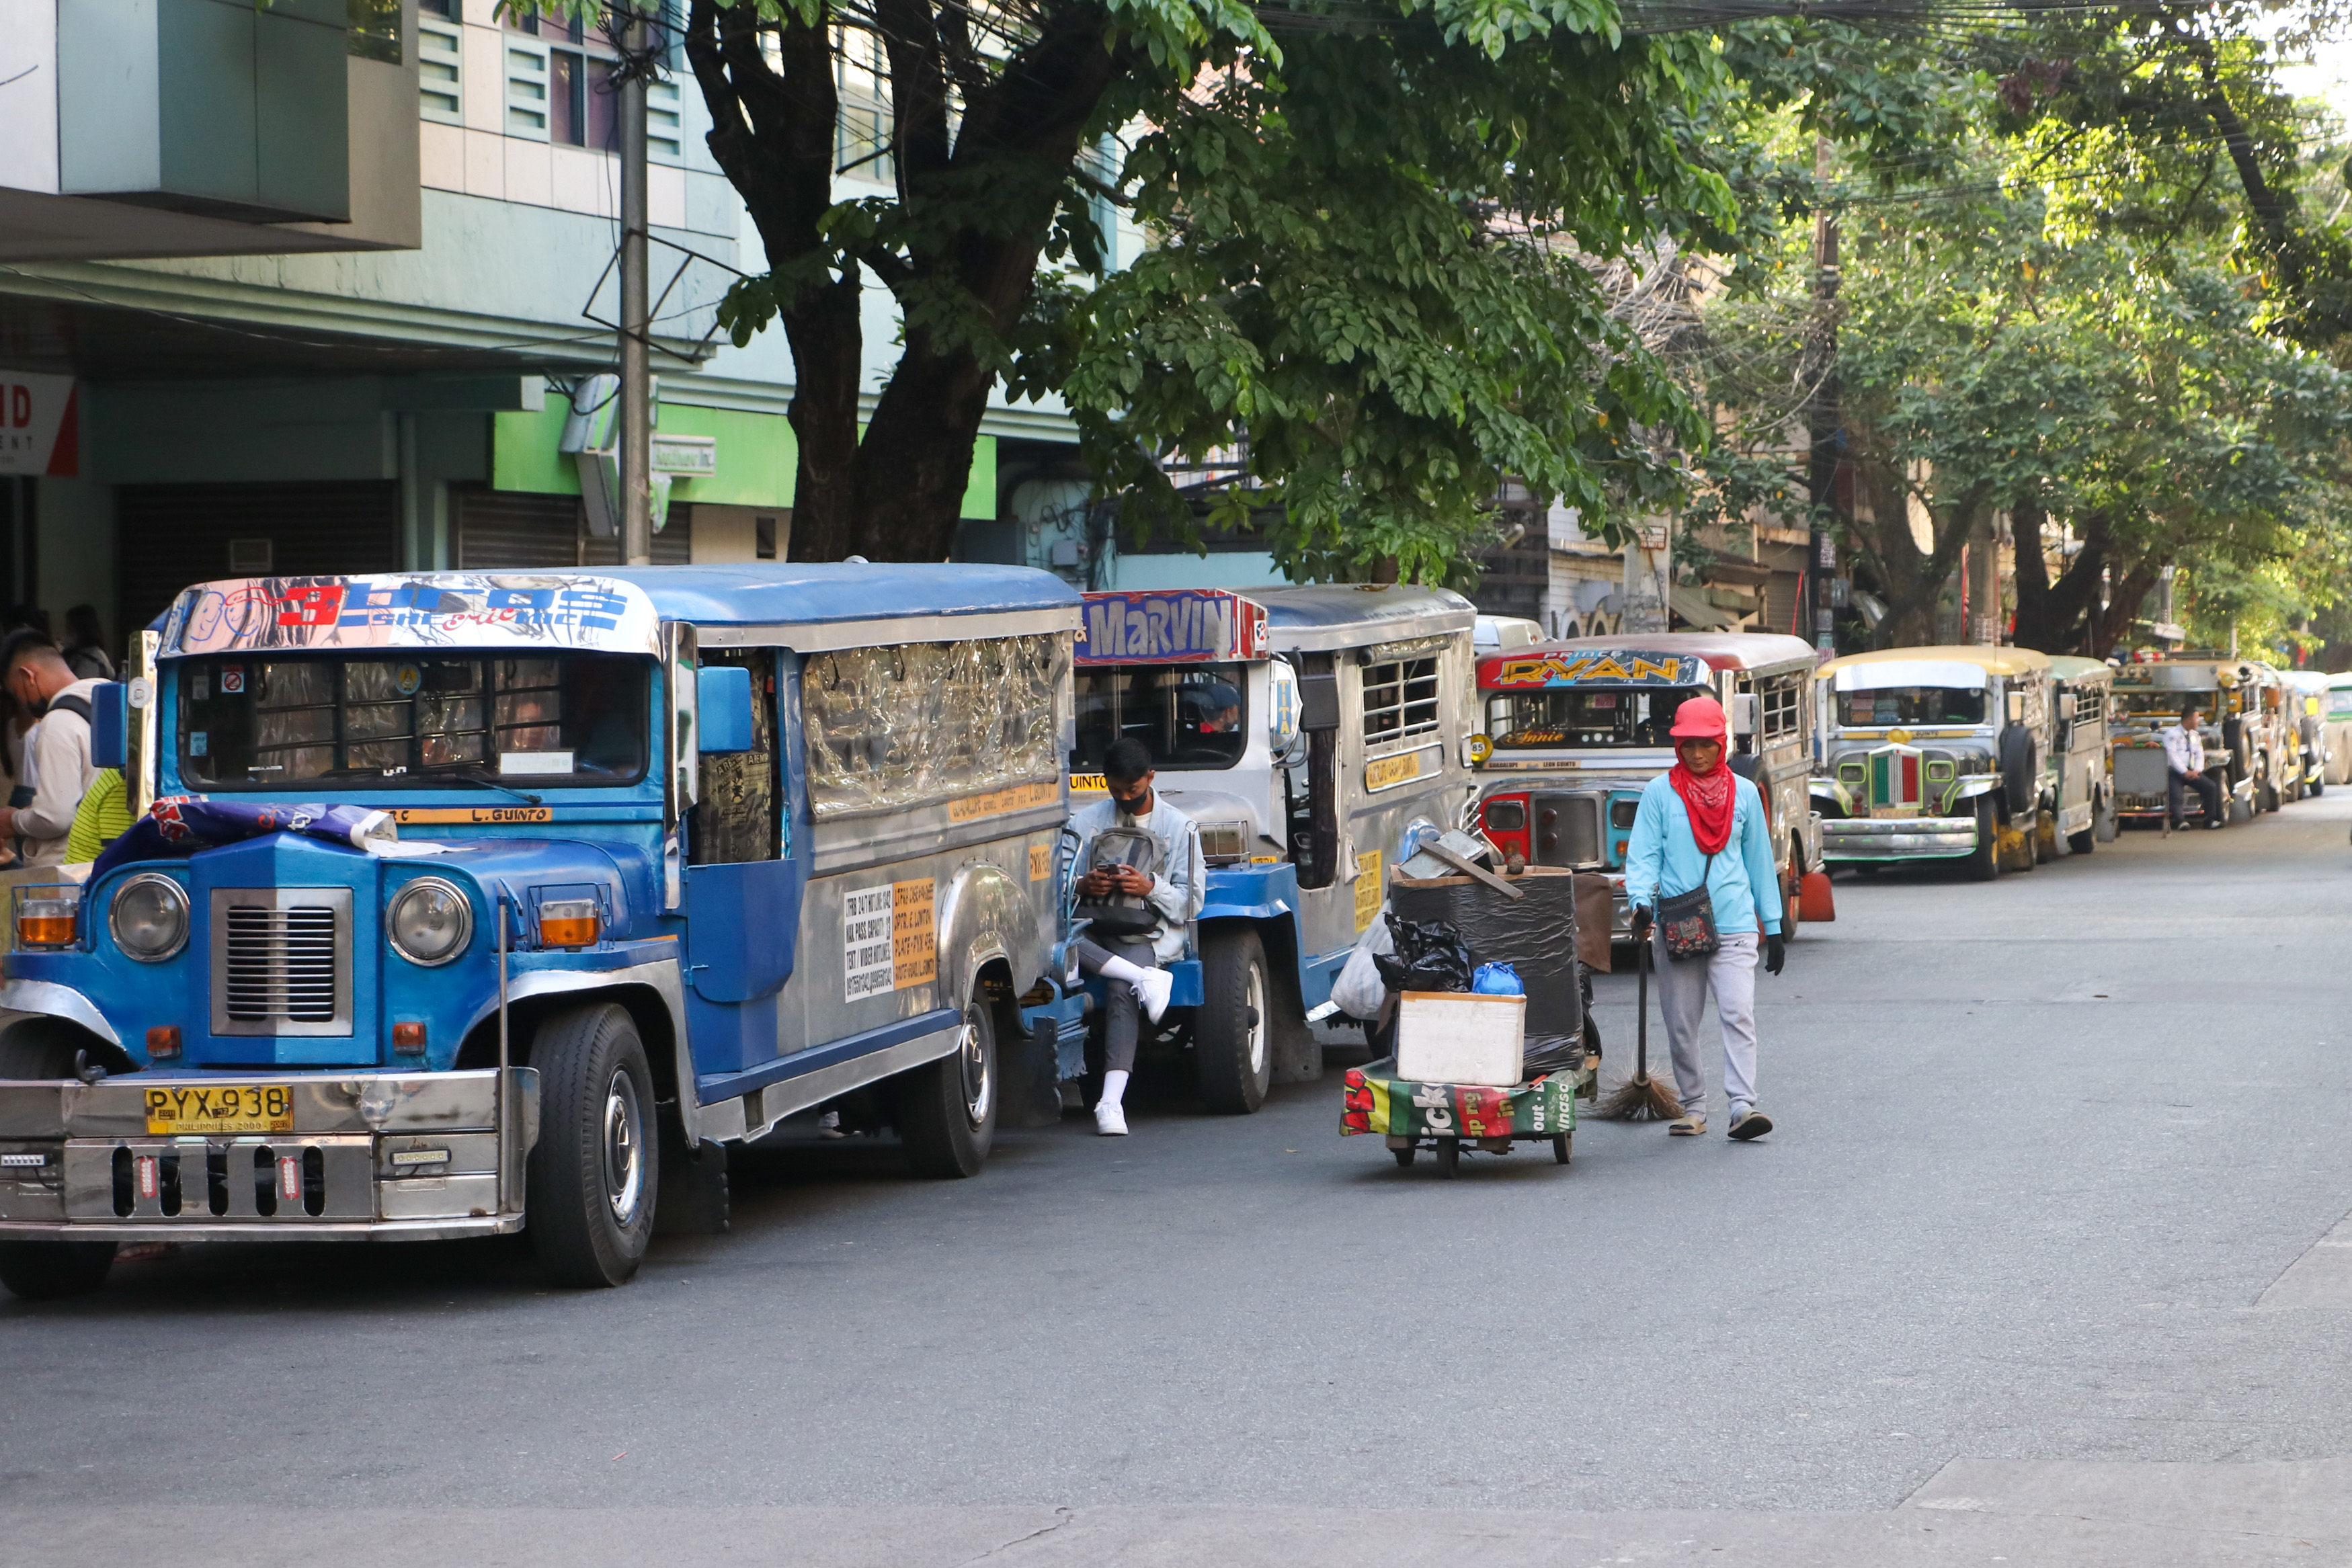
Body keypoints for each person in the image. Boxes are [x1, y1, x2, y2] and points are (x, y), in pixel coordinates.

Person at [1623, 694, 1785, 1141]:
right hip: (1678, 923)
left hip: (1733, 922)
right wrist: (1639, 901)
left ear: (1721, 743)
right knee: (1680, 1022)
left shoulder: (1746, 793)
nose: (1696, 754)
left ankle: (1741, 1107)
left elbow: (1758, 861)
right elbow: (1643, 856)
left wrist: (1772, 925)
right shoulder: (1659, 793)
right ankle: (1693, 1106)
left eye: (1705, 745)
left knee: (1737, 1012)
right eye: (1687, 744)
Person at [1061, 737, 1205, 1136]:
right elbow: (1054, 891)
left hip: (1148, 932)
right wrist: (1081, 885)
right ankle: (1144, 977)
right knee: (1061, 945)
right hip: (1091, 928)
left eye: (1134, 790)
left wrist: (1150, 887)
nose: (1124, 798)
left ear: (1151, 778)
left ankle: (1110, 1102)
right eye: (1115, 790)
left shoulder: (1180, 827)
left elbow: (1191, 904)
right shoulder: (1085, 822)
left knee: (1123, 990)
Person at [0, 632, 104, 872]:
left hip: (71, 868)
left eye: (16, 693)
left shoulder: (57, 722)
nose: (22, 705)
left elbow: (54, 818)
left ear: (29, 676)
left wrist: (12, 820)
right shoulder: (111, 699)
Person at [2164, 706, 2225, 832]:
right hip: (2175, 772)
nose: (2199, 721)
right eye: (2196, 718)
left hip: (2192, 771)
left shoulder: (2195, 736)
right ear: (2188, 719)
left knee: (2211, 787)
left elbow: (2199, 754)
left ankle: (2210, 820)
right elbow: (2172, 755)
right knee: (2176, 795)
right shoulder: (2172, 734)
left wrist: (2197, 770)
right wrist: (2184, 772)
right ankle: (2181, 821)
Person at [60, 606, 114, 682]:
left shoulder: (90, 661)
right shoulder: (74, 655)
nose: (65, 633)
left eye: (69, 629)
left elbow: (78, 689)